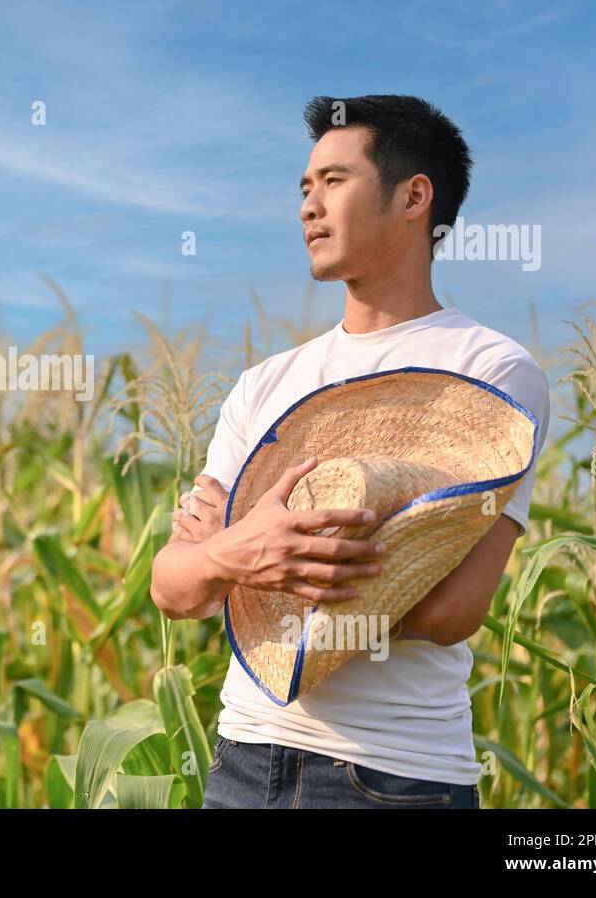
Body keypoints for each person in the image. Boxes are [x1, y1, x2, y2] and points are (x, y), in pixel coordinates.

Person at [151, 94, 551, 809]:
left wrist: (255, 566)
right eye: (304, 188)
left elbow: (454, 607)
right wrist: (233, 558)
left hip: (389, 776)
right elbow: (173, 588)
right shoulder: (263, 384)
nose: (309, 205)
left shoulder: (492, 370)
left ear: (413, 197)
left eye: (334, 181)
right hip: (241, 762)